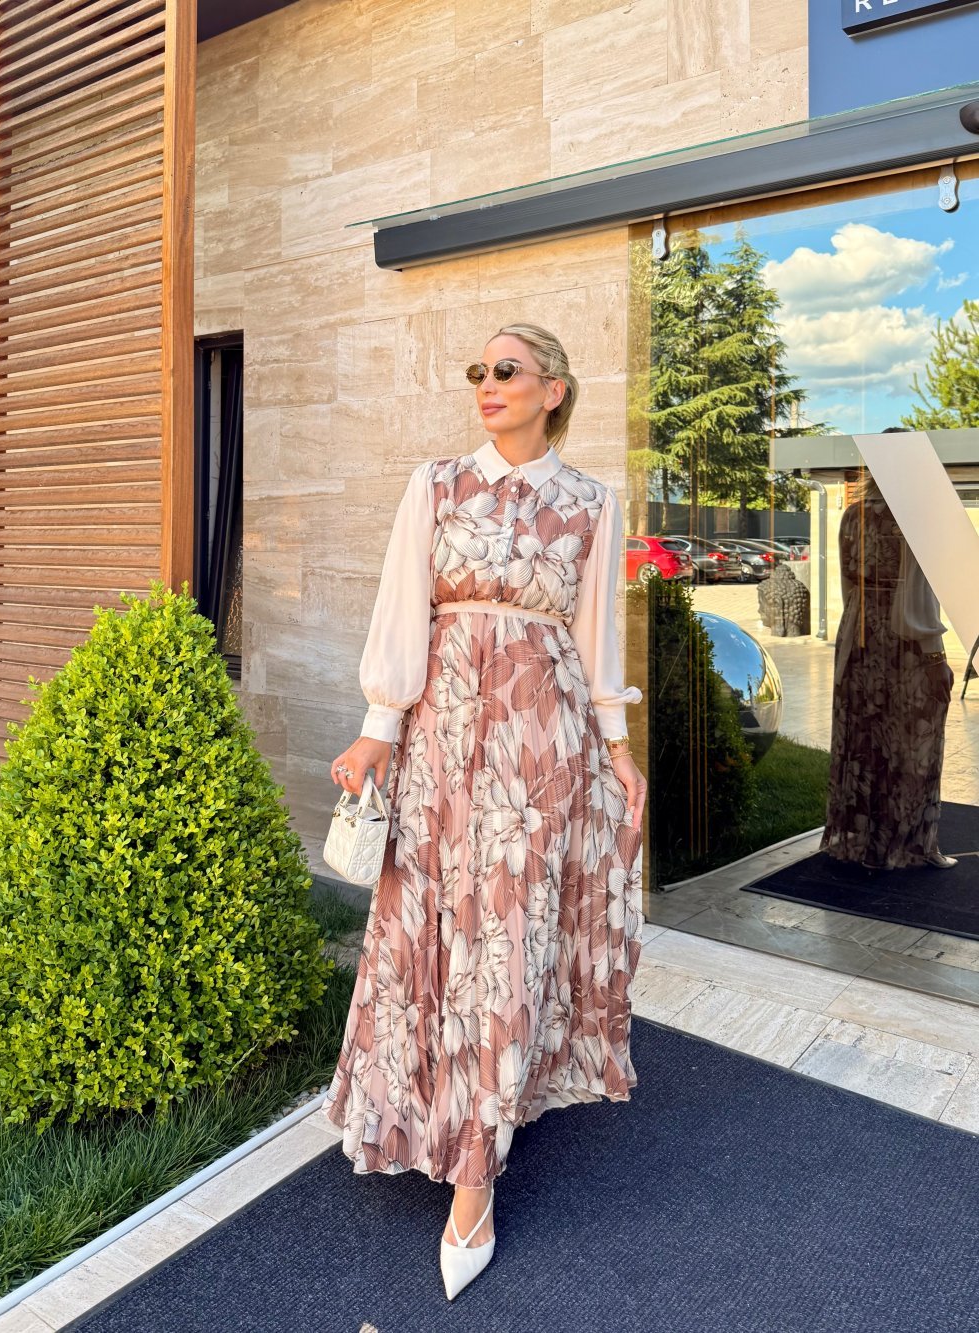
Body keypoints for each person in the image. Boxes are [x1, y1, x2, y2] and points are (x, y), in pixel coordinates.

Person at [319, 323, 647, 1300]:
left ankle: (475, 1174)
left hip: (541, 751)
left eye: (507, 370)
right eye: (479, 371)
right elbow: (401, 611)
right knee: (431, 931)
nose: (488, 384)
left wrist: (617, 747)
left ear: (553, 389)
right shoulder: (435, 484)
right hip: (440, 746)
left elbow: (596, 638)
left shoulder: (591, 502)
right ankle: (427, 1106)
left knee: (506, 939)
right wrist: (376, 729)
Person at [822, 471, 956, 870]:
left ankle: (864, 844)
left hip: (859, 633)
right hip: (903, 646)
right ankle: (909, 846)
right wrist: (935, 658)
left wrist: (860, 623)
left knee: (865, 739)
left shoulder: (854, 514)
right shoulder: (914, 517)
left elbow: (848, 584)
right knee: (914, 743)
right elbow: (919, 597)